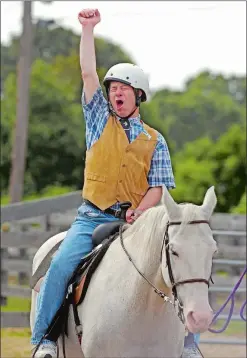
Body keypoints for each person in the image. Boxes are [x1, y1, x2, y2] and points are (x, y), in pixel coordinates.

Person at [32, 8, 202, 358]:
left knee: (175, 266)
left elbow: (158, 187)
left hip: (135, 223)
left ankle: (188, 344)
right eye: (113, 89)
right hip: (92, 217)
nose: (116, 93)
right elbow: (86, 72)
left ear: (139, 95)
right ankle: (45, 341)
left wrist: (140, 212)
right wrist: (88, 29)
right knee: (62, 266)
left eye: (125, 88)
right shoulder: (97, 121)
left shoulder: (156, 140)